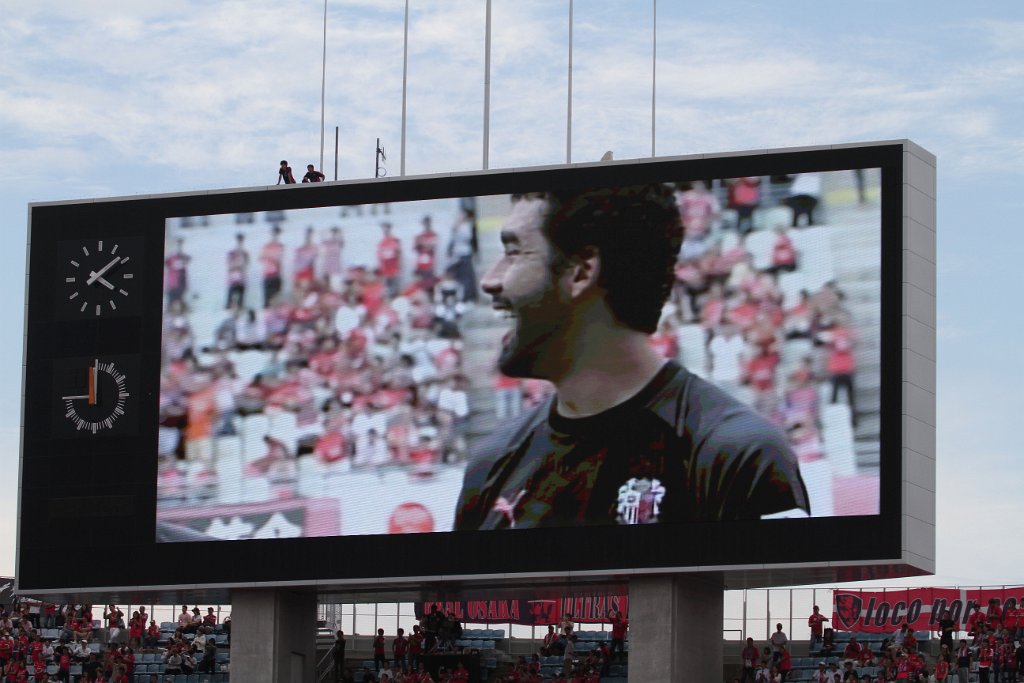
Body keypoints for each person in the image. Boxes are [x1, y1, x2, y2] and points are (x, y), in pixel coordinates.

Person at [454, 186, 808, 530]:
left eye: (514, 252)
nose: (489, 280)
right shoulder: (491, 465)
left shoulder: (737, 456)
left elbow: (787, 579)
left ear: (581, 272)